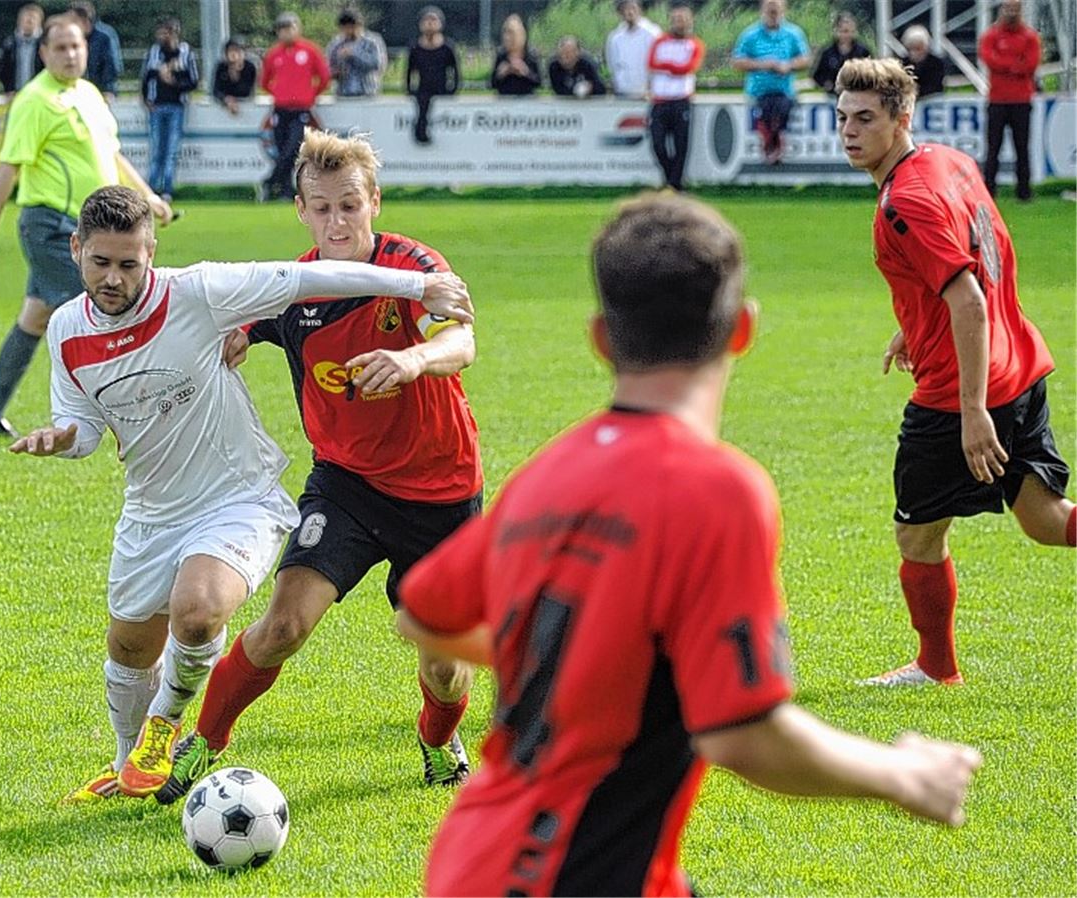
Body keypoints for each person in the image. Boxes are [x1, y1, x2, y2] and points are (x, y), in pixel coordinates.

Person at [394, 192, 983, 896]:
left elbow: (424, 614)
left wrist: (581, 663)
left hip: (477, 856)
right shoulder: (718, 490)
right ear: (742, 330)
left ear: (601, 340)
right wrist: (905, 775)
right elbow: (743, 735)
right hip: (568, 872)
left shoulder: (546, 475)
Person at [10, 184, 475, 803]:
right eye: (101, 264)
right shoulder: (68, 328)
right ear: (76, 252)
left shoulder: (197, 291)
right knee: (131, 646)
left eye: (130, 263)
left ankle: (173, 728)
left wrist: (417, 292)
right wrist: (62, 438)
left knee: (201, 612)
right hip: (158, 506)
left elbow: (303, 279)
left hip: (251, 496)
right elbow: (84, 426)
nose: (115, 278)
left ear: (154, 250)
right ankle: (130, 765)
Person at [153, 129, 484, 804]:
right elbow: (248, 321)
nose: (338, 222)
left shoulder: (413, 267)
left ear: (375, 204)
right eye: (322, 208)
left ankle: (435, 736)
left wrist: (413, 358)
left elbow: (463, 337)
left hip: (442, 496)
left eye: (350, 206)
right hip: (347, 487)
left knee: (447, 670)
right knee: (282, 626)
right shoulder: (294, 287)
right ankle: (204, 745)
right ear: (302, 210)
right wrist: (238, 335)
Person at [834, 57, 1074, 687]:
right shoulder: (947, 160)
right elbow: (969, 264)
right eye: (841, 118)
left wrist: (971, 414)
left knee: (916, 536)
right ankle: (936, 668)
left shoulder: (902, 203)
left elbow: (966, 298)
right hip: (1019, 364)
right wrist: (914, 322)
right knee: (1047, 522)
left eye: (865, 118)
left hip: (959, 394)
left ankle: (936, 669)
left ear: (900, 118)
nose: (849, 132)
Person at [0, 14, 173, 440]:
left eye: (76, 46)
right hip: (51, 228)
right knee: (105, 309)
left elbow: (111, 155)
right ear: (43, 53)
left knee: (34, 318)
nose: (70, 54)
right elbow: (8, 165)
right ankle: (132, 413)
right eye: (60, 47)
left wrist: (146, 195)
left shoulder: (90, 94)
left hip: (85, 228)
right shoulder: (35, 100)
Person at [261, 11, 330, 201]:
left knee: (293, 147)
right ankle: (284, 190)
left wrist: (310, 95)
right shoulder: (274, 53)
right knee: (283, 148)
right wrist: (278, 93)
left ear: (297, 28)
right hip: (280, 109)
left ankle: (270, 181)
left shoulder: (310, 51)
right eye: (282, 29)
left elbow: (324, 77)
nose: (286, 33)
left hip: (301, 109)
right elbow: (264, 81)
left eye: (289, 28)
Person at [732, 0, 811, 165]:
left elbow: (806, 59)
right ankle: (769, 147)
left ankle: (776, 148)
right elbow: (737, 62)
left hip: (785, 91)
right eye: (770, 11)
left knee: (782, 113)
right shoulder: (750, 35)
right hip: (758, 92)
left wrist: (788, 65)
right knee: (764, 116)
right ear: (762, 10)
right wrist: (763, 64)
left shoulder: (794, 33)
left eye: (776, 11)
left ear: (783, 10)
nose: (773, 15)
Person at [979, 0, 1040, 202]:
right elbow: (989, 59)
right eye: (1008, 8)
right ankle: (989, 191)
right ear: (1002, 9)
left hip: (1021, 100)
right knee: (993, 148)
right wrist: (1015, 64)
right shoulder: (991, 35)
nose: (1012, 12)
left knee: (1022, 148)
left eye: (1015, 8)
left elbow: (1031, 64)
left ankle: (1024, 192)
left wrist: (1005, 64)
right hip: (997, 100)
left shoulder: (1029, 36)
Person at [648, 2, 704, 192]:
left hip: (681, 100)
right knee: (658, 144)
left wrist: (667, 66)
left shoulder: (694, 44)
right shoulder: (660, 41)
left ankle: (674, 184)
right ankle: (670, 179)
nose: (679, 23)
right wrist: (673, 67)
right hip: (660, 100)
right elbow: (652, 63)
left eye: (683, 20)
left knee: (681, 145)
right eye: (676, 19)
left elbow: (688, 68)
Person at [141, 17, 198, 202]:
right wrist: (146, 99)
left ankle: (167, 188)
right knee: (157, 148)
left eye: (166, 32)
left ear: (174, 33)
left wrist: (175, 83)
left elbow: (193, 81)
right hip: (157, 106)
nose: (162, 36)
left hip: (176, 106)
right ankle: (151, 189)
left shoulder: (185, 52)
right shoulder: (154, 52)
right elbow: (145, 77)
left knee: (171, 149)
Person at [405, 6, 458, 145]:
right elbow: (409, 71)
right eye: (426, 20)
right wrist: (409, 90)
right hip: (423, 89)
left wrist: (453, 89)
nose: (430, 23)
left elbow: (455, 71)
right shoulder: (416, 47)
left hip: (442, 88)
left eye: (433, 20)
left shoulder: (447, 47)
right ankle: (421, 134)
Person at [326, 7, 387, 98]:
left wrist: (354, 54)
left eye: (351, 28)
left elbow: (377, 64)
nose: (348, 31)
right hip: (342, 93)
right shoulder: (335, 44)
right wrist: (336, 72)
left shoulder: (372, 41)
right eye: (344, 28)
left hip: (368, 93)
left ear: (359, 26)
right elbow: (328, 66)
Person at [605, 0, 661, 100]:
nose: (630, 12)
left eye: (633, 8)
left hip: (648, 94)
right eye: (626, 9)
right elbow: (612, 64)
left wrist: (652, 87)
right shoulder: (615, 37)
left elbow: (659, 62)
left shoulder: (653, 33)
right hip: (622, 93)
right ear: (620, 12)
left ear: (639, 10)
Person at [811, 11, 870, 95]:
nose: (848, 35)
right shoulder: (828, 52)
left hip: (857, 95)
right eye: (845, 31)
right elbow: (817, 75)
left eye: (851, 31)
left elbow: (871, 74)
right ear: (837, 31)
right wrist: (826, 84)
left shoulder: (863, 51)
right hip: (833, 95)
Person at [70, 1, 118, 98]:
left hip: (97, 89)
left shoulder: (103, 39)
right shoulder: (69, 39)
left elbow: (109, 66)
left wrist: (108, 90)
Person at [0, 3, 44, 97]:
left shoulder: (46, 44)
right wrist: (8, 90)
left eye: (33, 18)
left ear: (40, 22)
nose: (29, 21)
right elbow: (4, 71)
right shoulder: (9, 44)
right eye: (26, 18)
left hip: (40, 94)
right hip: (14, 95)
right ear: (19, 21)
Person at [491, 14, 542, 96]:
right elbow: (492, 84)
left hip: (527, 100)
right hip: (504, 100)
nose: (507, 37)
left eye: (511, 33)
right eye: (505, 33)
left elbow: (538, 83)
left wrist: (525, 72)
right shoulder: (501, 55)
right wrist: (501, 74)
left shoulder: (531, 55)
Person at [899, 25, 945, 99]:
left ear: (925, 47)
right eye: (910, 49)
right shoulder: (902, 64)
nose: (914, 52)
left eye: (918, 48)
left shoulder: (936, 63)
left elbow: (934, 86)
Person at [212, 38, 256, 114]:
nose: (233, 54)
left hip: (246, 107)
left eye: (236, 50)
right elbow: (216, 90)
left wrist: (236, 72)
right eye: (230, 50)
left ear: (243, 52)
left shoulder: (249, 67)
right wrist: (226, 99)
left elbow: (247, 91)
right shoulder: (221, 67)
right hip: (224, 106)